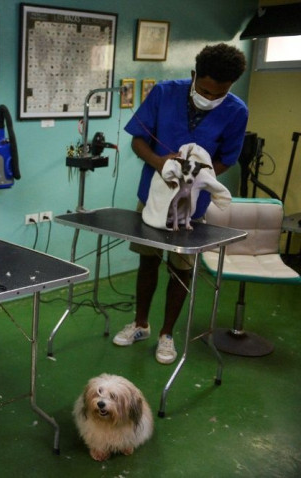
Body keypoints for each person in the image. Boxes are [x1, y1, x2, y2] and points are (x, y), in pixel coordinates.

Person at [114, 43, 248, 364]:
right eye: (204, 90)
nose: (211, 98)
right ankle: (141, 324)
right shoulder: (164, 94)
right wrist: (160, 163)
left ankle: (167, 334)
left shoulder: (236, 111)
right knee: (148, 261)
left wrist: (198, 175)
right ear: (193, 76)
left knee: (180, 268)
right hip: (152, 199)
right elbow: (137, 140)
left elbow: (227, 159)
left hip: (191, 207)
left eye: (220, 94)